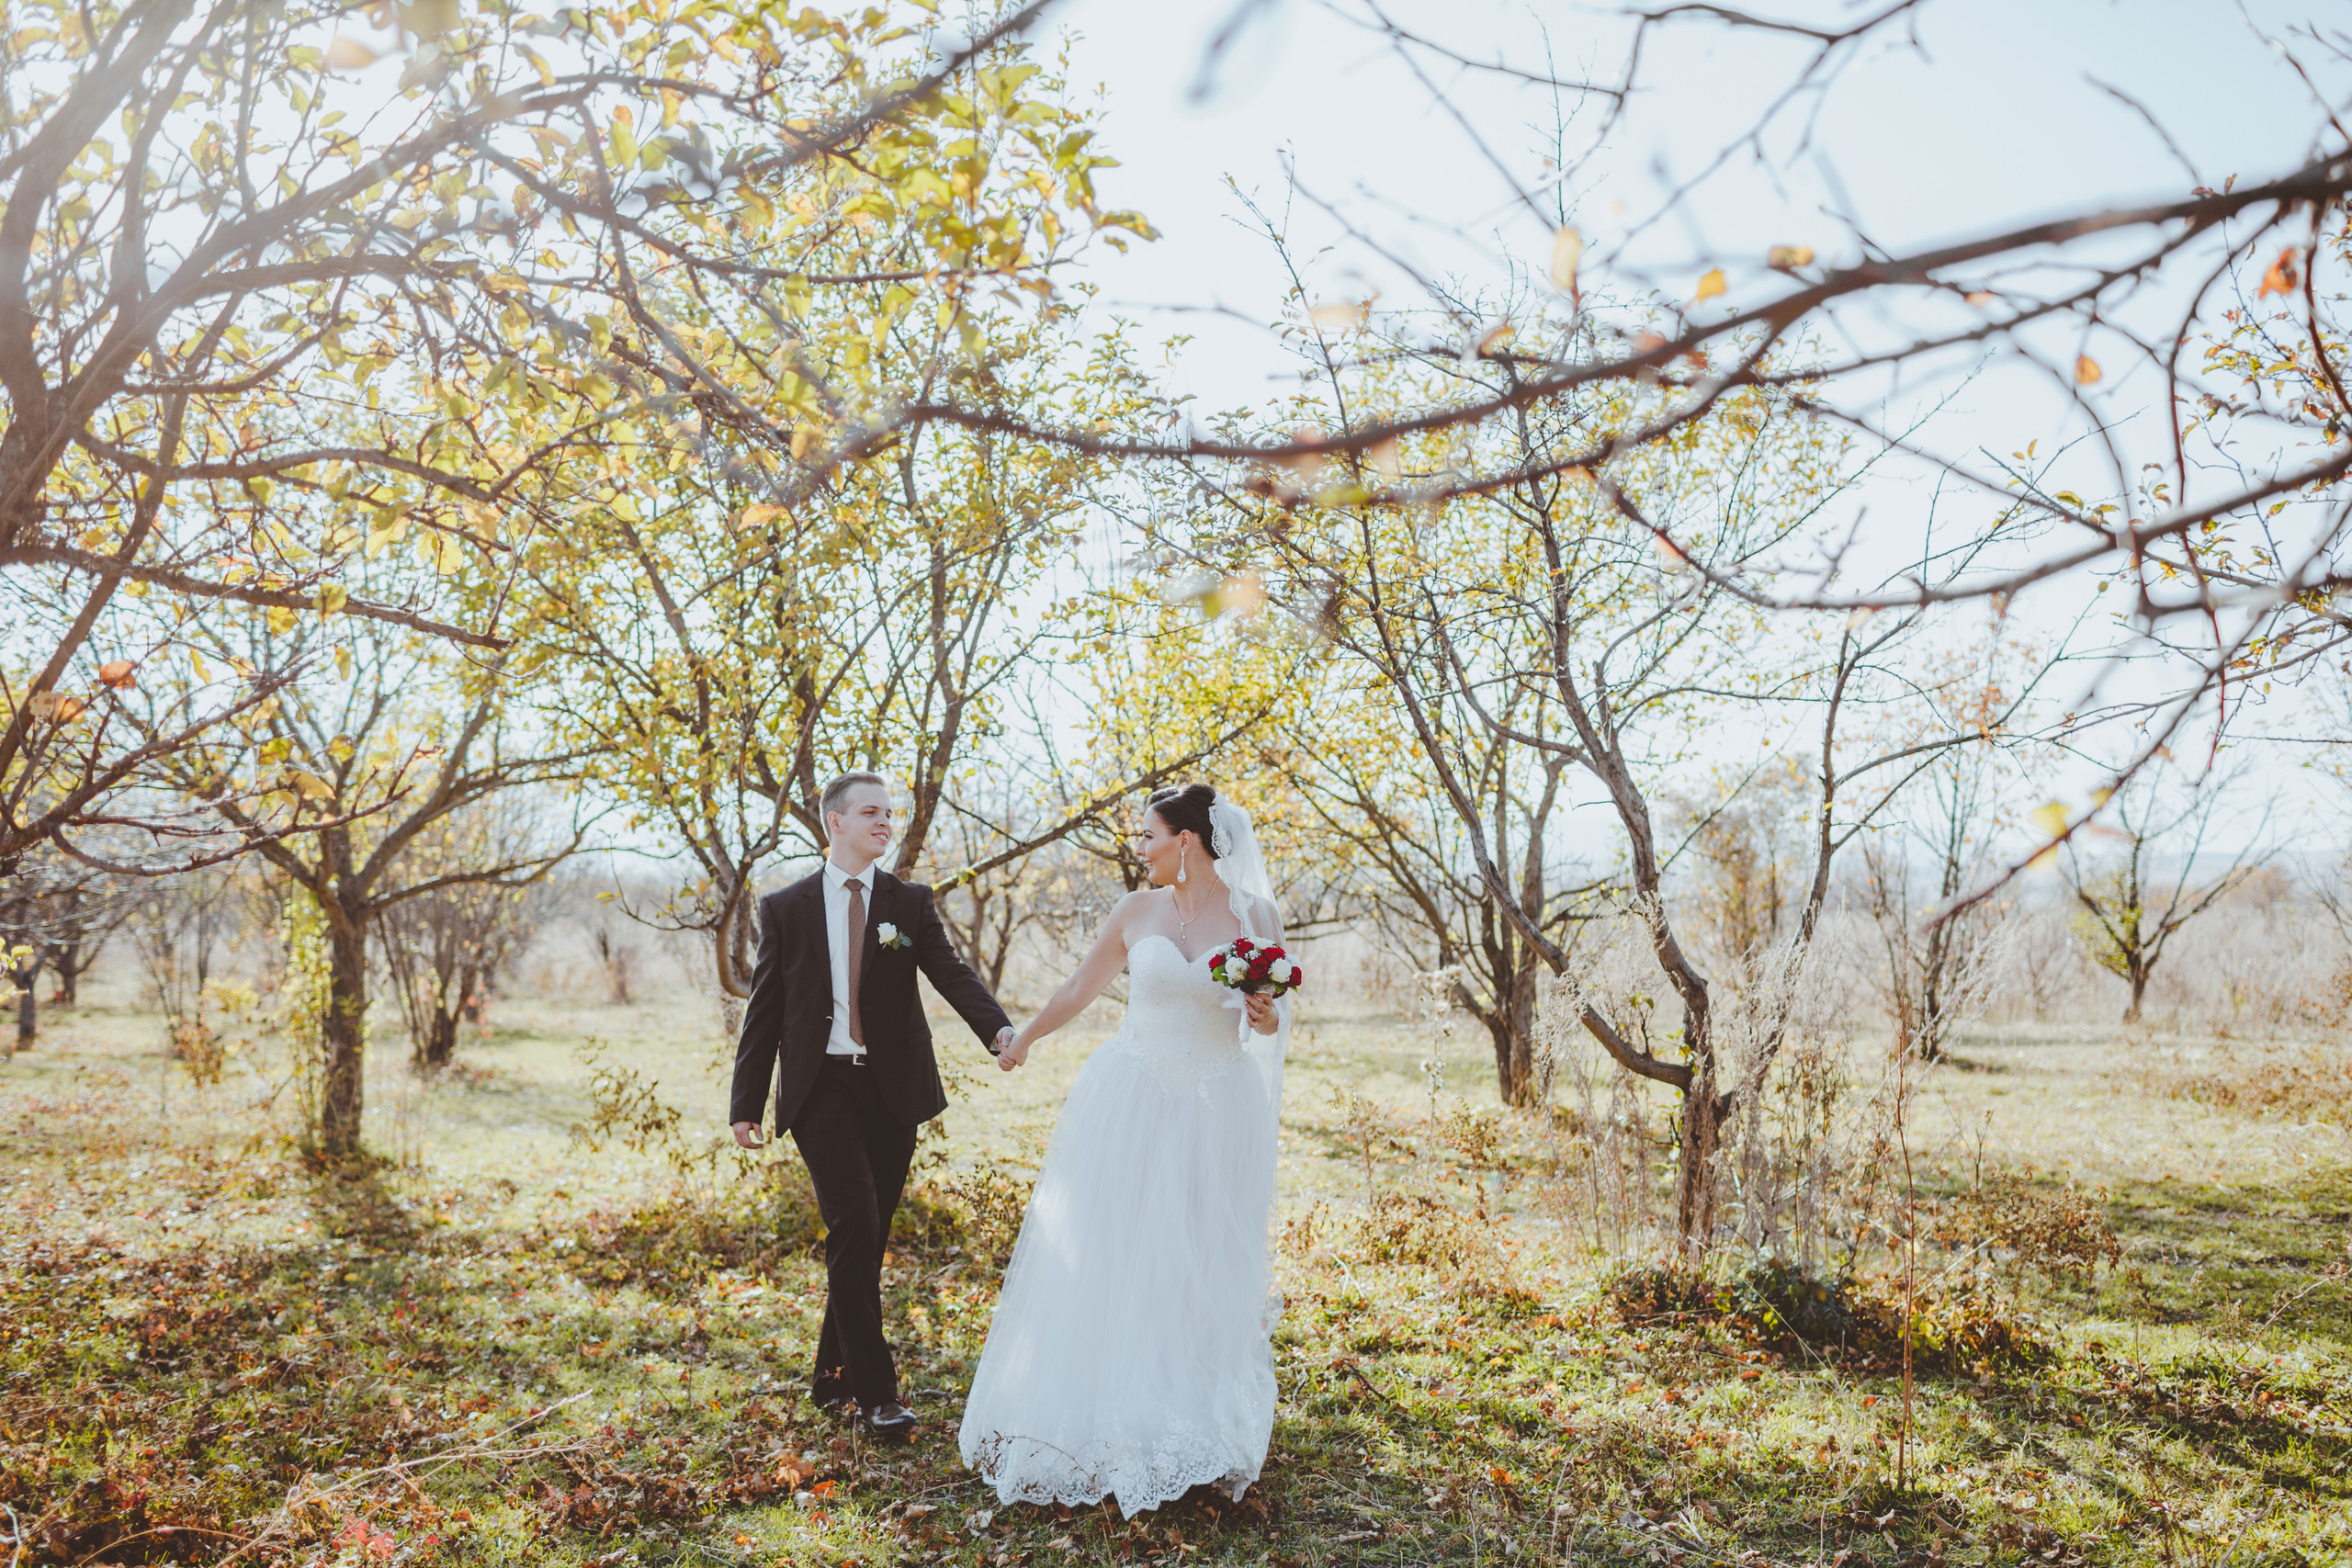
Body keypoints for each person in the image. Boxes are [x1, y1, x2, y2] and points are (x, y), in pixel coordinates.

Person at [959, 783, 1289, 1516]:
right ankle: (1107, 1409)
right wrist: (1023, 1040)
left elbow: (1266, 1024)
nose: (1137, 849)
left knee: (1197, 1255)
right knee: (1118, 1246)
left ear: (1187, 840)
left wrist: (1263, 1013)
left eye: (1147, 836)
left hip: (1214, 1103)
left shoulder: (1254, 916)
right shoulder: (1135, 912)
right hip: (1132, 1094)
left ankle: (1190, 1415)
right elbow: (1081, 987)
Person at [729, 772, 1017, 1440]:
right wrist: (747, 1101)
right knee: (854, 1222)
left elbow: (951, 972)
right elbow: (764, 1008)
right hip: (819, 1087)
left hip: (892, 1089)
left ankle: (832, 1373)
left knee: (867, 1236)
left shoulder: (908, 902)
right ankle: (876, 1394)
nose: (885, 822)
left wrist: (998, 1031)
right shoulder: (787, 906)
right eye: (870, 812)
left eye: (890, 813)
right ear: (835, 822)